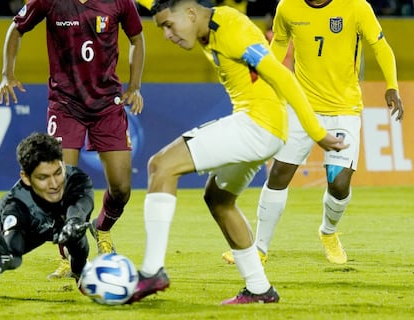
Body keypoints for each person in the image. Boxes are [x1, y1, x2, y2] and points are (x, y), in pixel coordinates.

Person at [127, 0, 348, 305]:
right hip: (263, 129)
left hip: (258, 125)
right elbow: (159, 2)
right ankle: (259, 288)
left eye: (168, 25)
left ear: (191, 13)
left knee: (161, 165)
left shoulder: (231, 28)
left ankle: (152, 271)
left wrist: (317, 133)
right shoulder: (200, 23)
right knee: (219, 200)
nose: (167, 34)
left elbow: (282, 76)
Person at [222, 0, 404, 266]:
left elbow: (380, 46)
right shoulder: (288, 7)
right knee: (278, 174)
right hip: (302, 107)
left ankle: (328, 232)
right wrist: (266, 79)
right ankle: (257, 249)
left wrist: (392, 85)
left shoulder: (356, 7)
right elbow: (279, 45)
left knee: (339, 184)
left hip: (344, 110)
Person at [0, 0, 145, 280]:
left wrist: (135, 86)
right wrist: (7, 73)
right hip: (65, 105)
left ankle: (102, 227)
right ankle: (66, 257)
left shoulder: (120, 2)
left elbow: (137, 37)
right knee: (59, 187)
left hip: (107, 105)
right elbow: (16, 28)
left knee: (122, 188)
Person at [0, 132, 94, 289]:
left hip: (55, 222)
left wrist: (74, 220)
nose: (54, 184)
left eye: (58, 173)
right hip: (29, 226)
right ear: (26, 177)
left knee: (77, 237)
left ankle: (80, 272)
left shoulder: (75, 178)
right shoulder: (16, 206)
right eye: (43, 177)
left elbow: (82, 203)